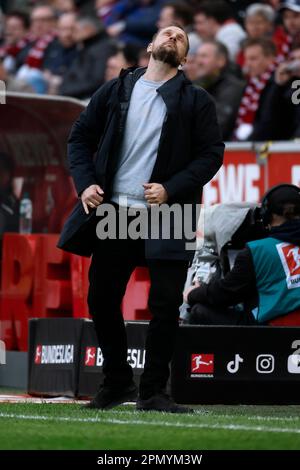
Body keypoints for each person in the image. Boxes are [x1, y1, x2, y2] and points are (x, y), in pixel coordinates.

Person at [58, 24, 224, 412]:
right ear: (150, 45)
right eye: (167, 34)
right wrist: (85, 184)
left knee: (165, 304)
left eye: (181, 38)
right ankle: (117, 382)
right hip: (116, 209)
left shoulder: (196, 100)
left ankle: (153, 392)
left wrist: (171, 187)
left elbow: (211, 155)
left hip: (169, 211)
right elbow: (79, 137)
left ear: (184, 59)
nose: (172, 39)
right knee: (101, 297)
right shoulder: (117, 89)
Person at [184, 184, 300, 326]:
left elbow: (226, 293)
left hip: (272, 331)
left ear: (267, 215)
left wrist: (192, 294)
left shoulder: (257, 250)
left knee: (199, 311)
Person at [193, 40, 245, 140]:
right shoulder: (196, 86)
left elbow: (219, 126)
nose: (198, 61)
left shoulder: (233, 87)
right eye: (197, 56)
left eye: (204, 56)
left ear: (221, 61)